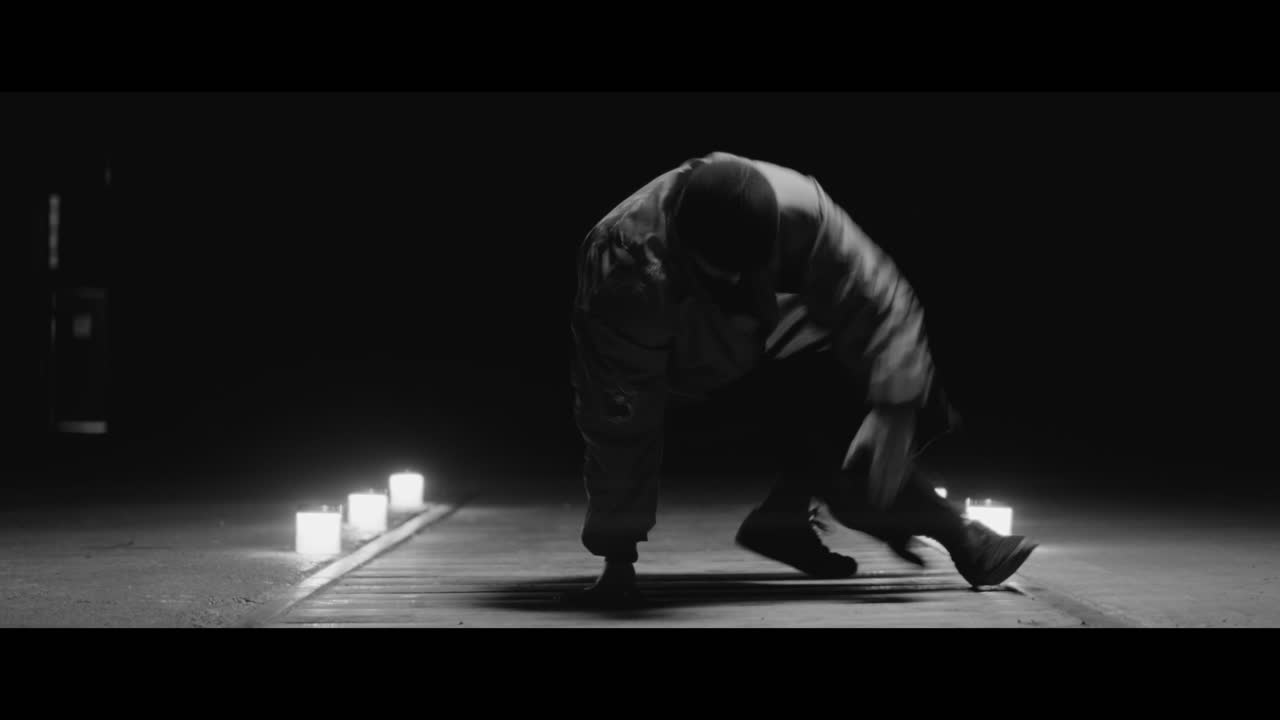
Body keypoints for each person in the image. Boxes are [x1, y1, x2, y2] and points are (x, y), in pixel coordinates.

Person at [566, 151, 1036, 608]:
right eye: (729, 276)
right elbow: (617, 416)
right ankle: (957, 535)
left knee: (912, 400)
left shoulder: (800, 208)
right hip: (688, 383)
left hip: (775, 345)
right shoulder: (625, 273)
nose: (747, 286)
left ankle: (786, 515)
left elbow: (879, 299)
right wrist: (617, 557)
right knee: (840, 451)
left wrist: (895, 411)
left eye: (757, 267)